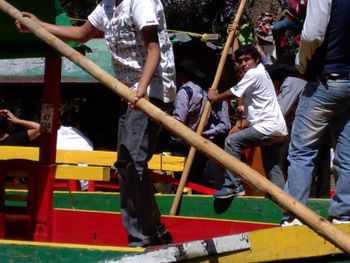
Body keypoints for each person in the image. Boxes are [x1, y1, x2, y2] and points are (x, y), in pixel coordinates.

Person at [16, 0, 176, 247]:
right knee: (125, 164)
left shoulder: (139, 2)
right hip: (129, 92)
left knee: (132, 162)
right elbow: (81, 34)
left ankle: (145, 235)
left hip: (151, 89)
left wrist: (142, 90)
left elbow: (153, 48)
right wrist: (39, 25)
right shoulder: (107, 7)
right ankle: (152, 230)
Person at [281, 0, 350, 226]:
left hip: (326, 80)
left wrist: (301, 63)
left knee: (302, 152)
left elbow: (312, 35)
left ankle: (295, 216)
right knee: (348, 155)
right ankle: (344, 216)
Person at [208, 45, 288, 198]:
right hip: (276, 129)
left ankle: (233, 186)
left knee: (232, 142)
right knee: (272, 166)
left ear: (256, 60)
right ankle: (283, 202)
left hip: (267, 127)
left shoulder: (254, 73)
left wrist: (215, 97)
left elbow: (233, 92)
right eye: (240, 61)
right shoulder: (261, 72)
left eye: (247, 60)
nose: (244, 64)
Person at [171, 60, 231, 189]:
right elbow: (225, 125)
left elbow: (178, 122)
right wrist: (207, 133)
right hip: (208, 142)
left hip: (189, 143)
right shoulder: (215, 94)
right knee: (206, 180)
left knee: (188, 179)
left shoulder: (185, 91)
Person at [56, 103, 93, 191]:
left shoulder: (53, 137)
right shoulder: (86, 142)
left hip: (54, 182)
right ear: (78, 124)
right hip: (79, 187)